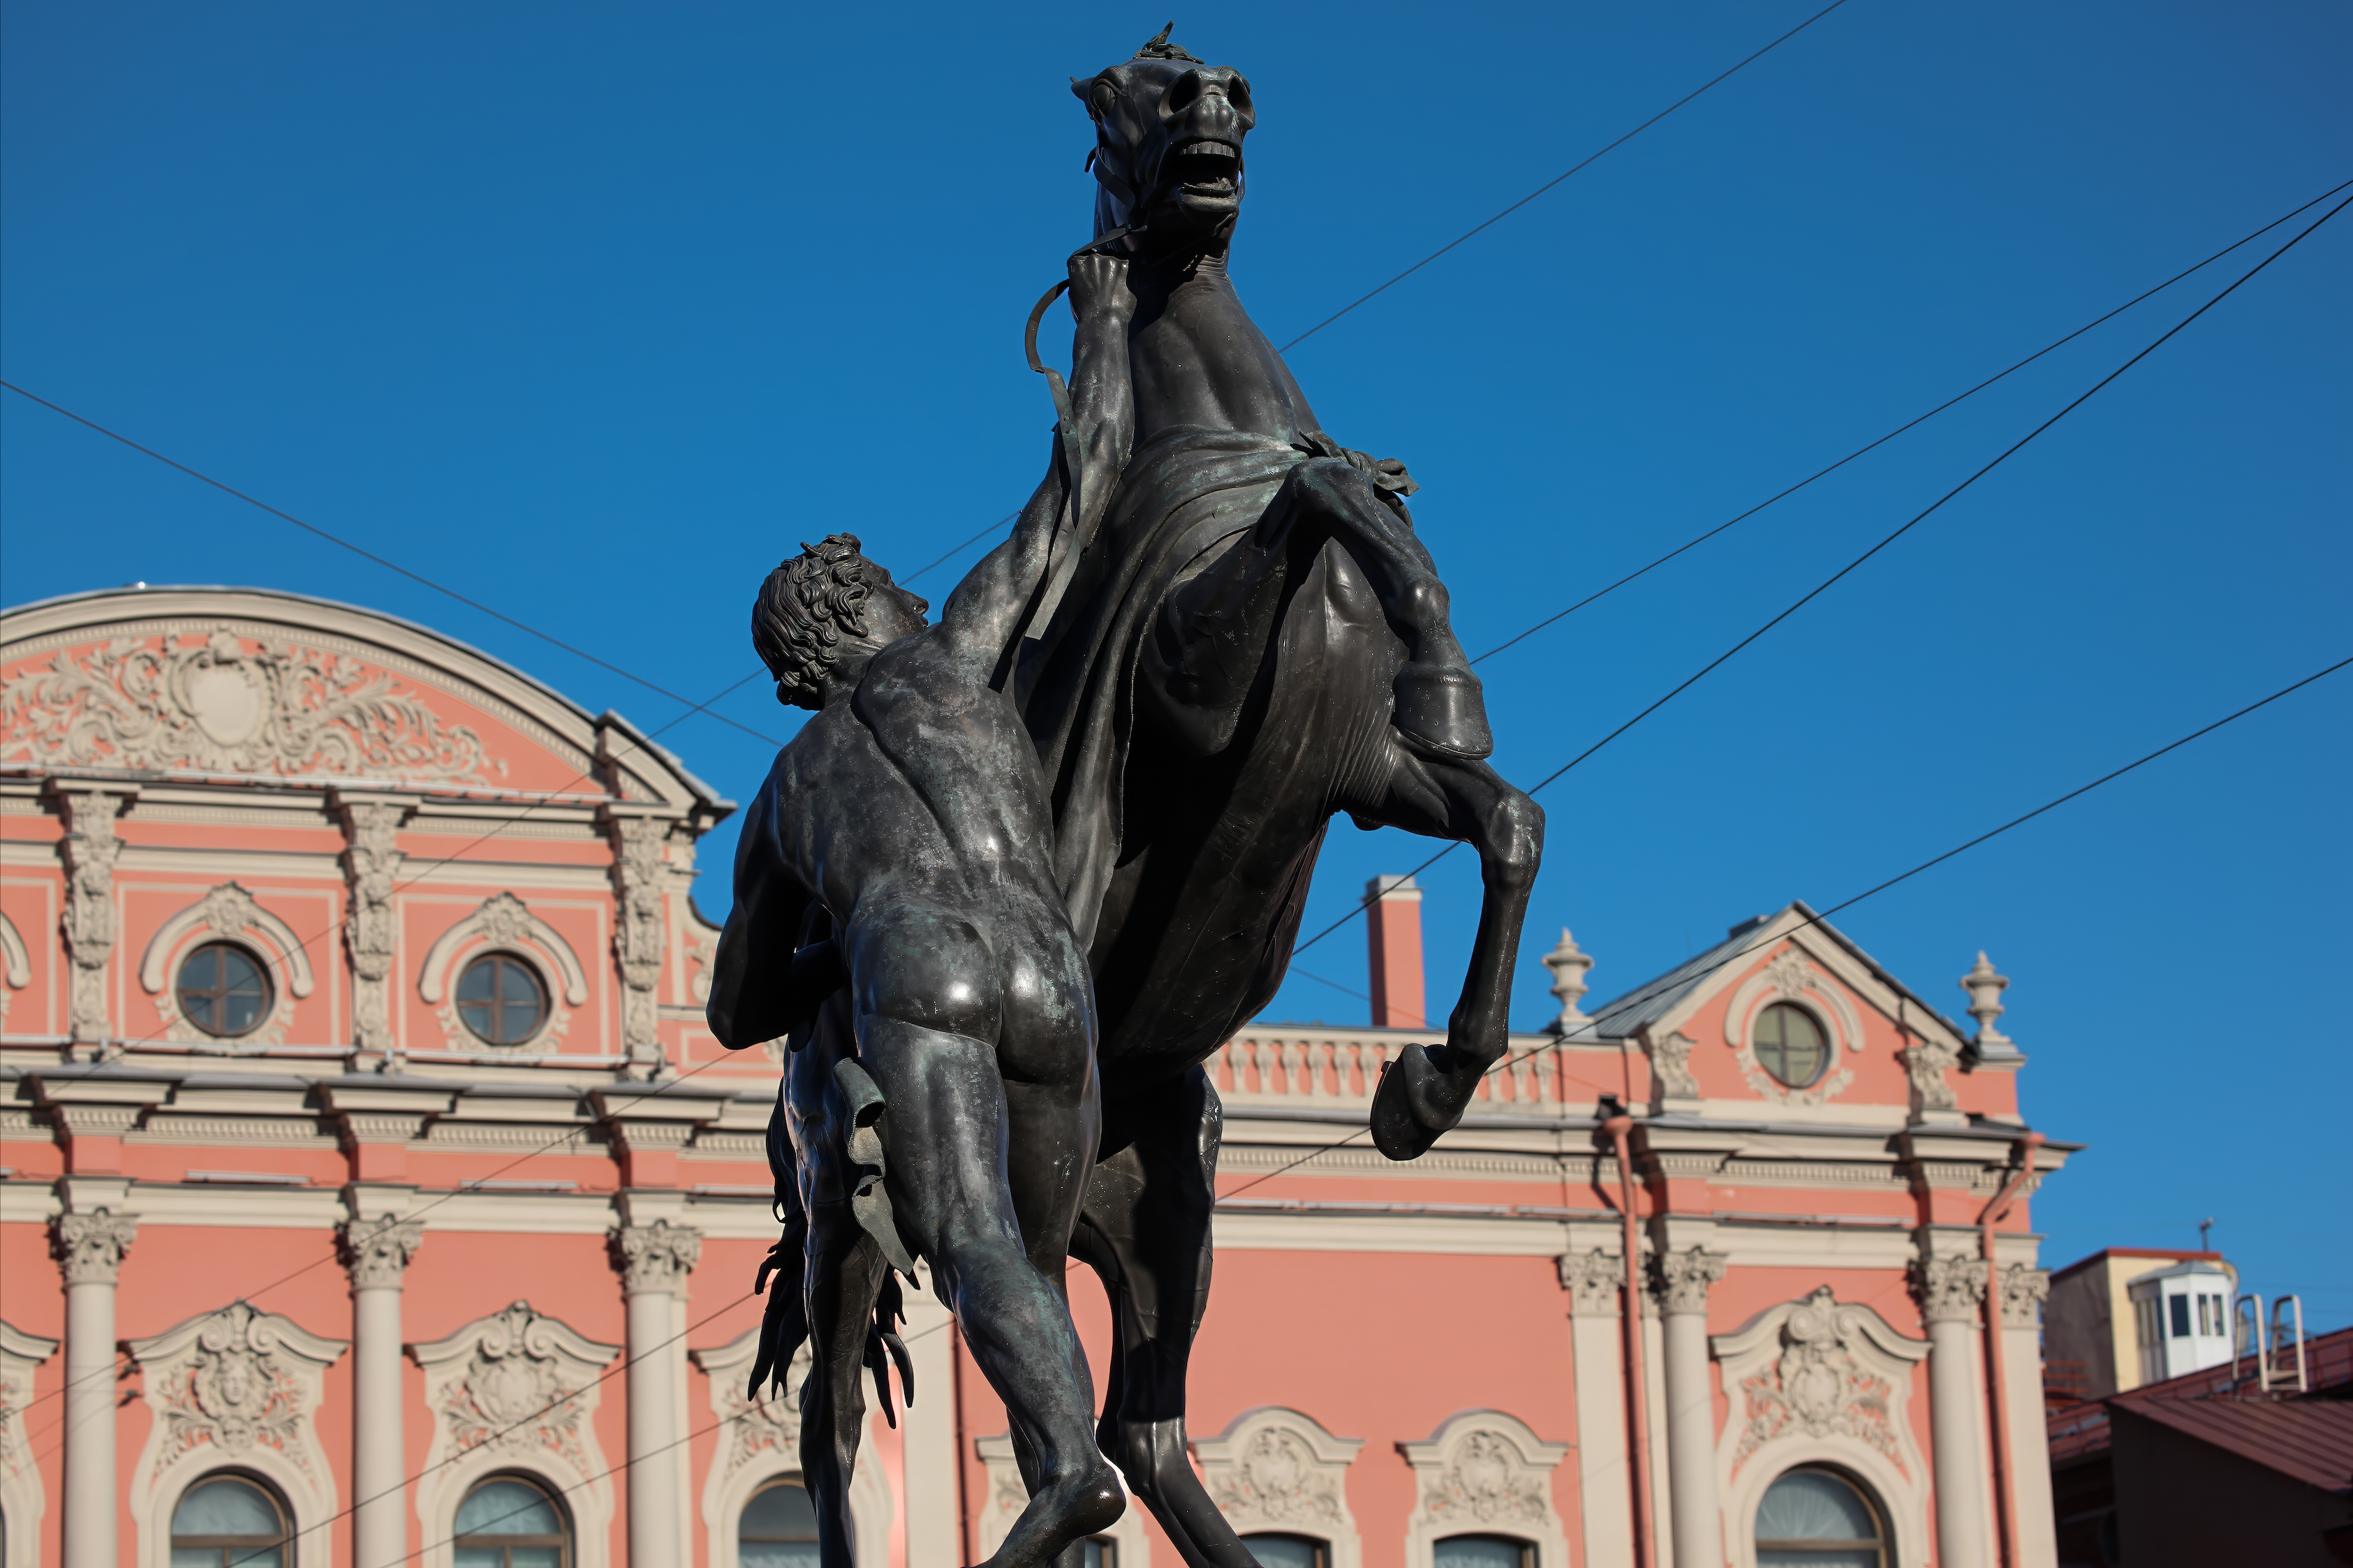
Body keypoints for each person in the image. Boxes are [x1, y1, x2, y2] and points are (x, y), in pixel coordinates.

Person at [706, 249, 1135, 1568]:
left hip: (921, 964)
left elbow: (734, 1009)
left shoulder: (787, 787)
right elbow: (1081, 486)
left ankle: (1070, 1472)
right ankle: (1064, 1464)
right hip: (1051, 971)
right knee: (1041, 1264)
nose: (902, 584)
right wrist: (1105, 311)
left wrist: (838, 939)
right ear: (853, 616)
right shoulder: (960, 652)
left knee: (972, 1241)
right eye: (882, 578)